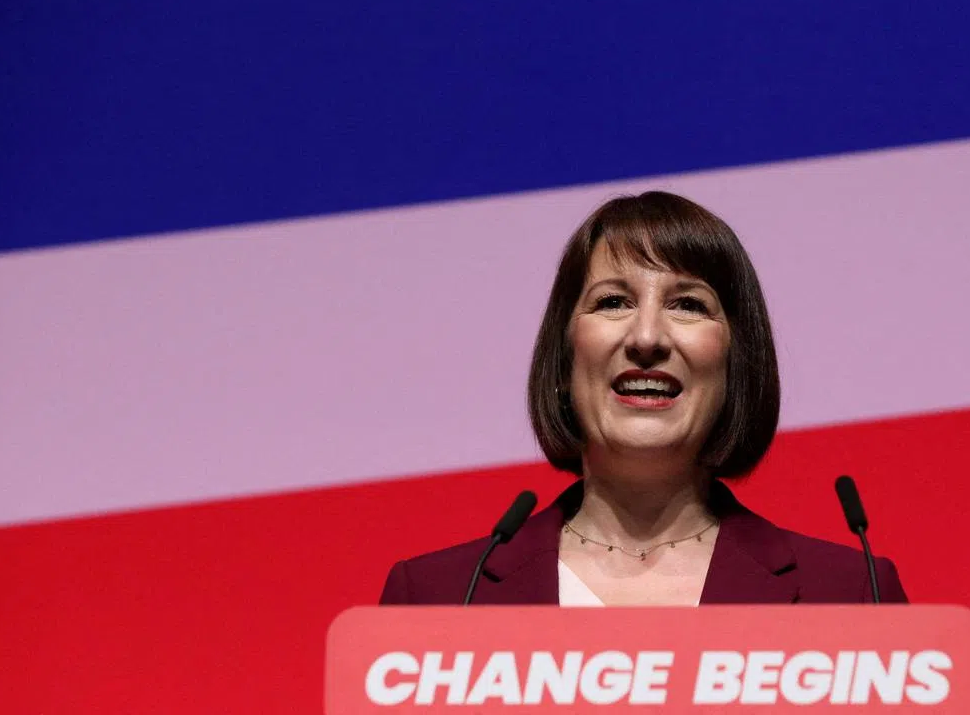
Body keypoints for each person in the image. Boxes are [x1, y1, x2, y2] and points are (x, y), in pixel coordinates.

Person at [379, 191, 907, 605]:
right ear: (564, 361)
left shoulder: (849, 597)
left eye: (688, 305)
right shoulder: (438, 600)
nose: (647, 337)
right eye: (612, 301)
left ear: (733, 362)